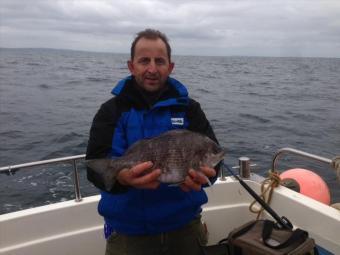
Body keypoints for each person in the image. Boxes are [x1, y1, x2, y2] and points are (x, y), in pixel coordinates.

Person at [86, 28, 220, 255]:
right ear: (131, 66)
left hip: (185, 228)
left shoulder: (190, 109)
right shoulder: (111, 111)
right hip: (129, 235)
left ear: (170, 66)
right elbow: (95, 168)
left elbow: (213, 162)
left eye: (159, 61)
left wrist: (205, 177)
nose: (152, 69)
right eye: (144, 61)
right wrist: (121, 177)